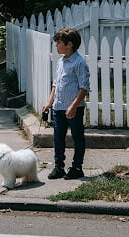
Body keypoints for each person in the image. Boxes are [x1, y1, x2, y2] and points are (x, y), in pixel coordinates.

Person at [42, 28, 89, 180]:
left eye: (59, 43)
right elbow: (56, 83)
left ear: (69, 44)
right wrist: (50, 102)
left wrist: (73, 106)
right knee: (58, 138)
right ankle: (59, 167)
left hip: (73, 108)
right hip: (58, 106)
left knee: (77, 137)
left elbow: (84, 87)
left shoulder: (79, 63)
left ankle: (77, 167)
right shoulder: (61, 61)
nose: (56, 46)